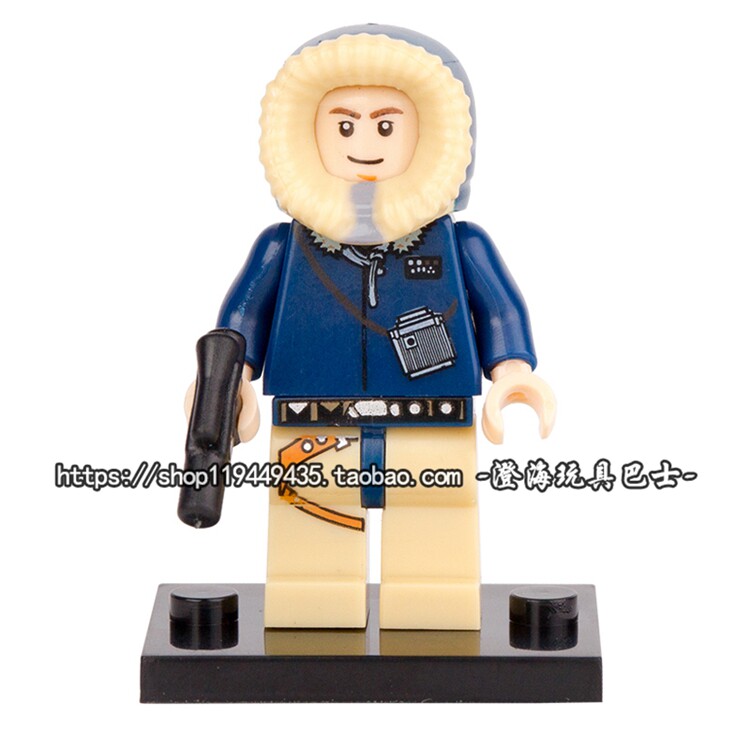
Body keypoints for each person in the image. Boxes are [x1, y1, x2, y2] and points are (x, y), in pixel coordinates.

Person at [214, 24, 556, 629]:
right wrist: (226, 384)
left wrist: (512, 373)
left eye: (387, 126)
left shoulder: (460, 244)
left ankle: (434, 614)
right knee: (309, 532)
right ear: (307, 133)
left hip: (433, 419)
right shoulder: (282, 248)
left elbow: (499, 309)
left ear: (429, 134)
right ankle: (310, 615)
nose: (364, 144)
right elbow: (242, 320)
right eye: (344, 126)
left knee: (435, 531)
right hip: (311, 422)